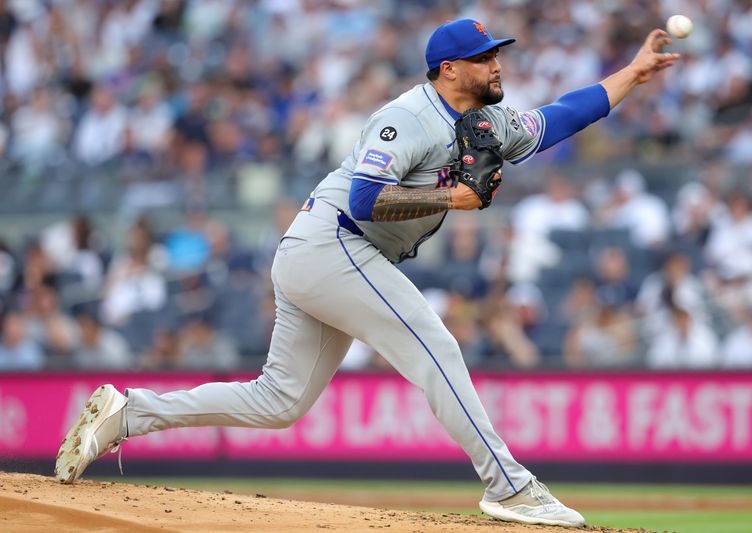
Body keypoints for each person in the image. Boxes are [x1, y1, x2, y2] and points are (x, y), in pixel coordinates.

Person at [55, 18, 679, 527]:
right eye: (486, 56)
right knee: (435, 343)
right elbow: (362, 201)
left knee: (279, 401)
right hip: (335, 242)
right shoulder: (407, 117)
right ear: (449, 69)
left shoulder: (489, 120)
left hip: (332, 256)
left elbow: (564, 115)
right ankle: (509, 486)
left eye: (498, 54)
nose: (498, 65)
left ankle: (129, 414)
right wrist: (449, 201)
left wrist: (634, 73)